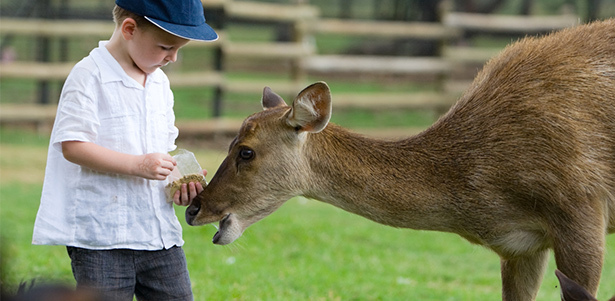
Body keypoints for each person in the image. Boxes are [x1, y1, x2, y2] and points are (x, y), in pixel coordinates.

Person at [32, 0, 218, 300]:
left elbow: (162, 152)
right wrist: (137, 166)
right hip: (102, 238)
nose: (172, 58)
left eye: (178, 49)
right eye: (165, 47)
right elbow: (73, 146)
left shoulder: (159, 85)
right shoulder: (89, 76)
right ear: (129, 29)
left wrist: (179, 183)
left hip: (157, 236)